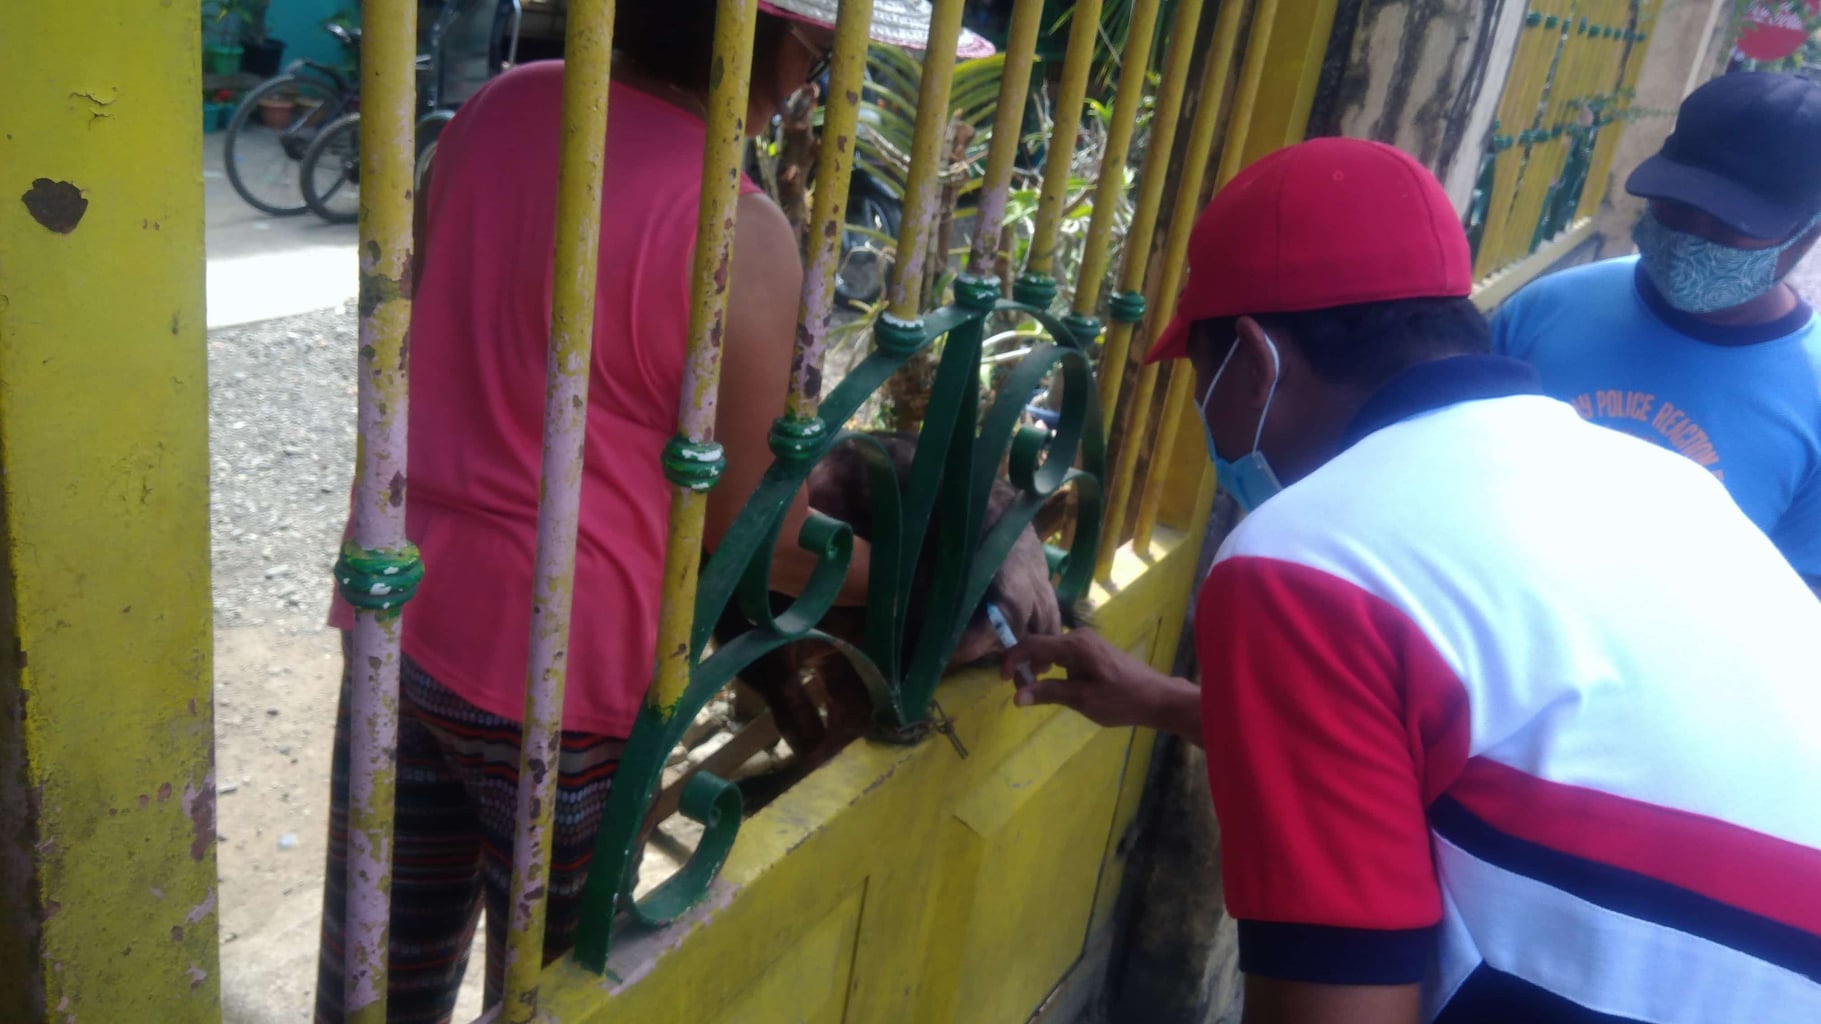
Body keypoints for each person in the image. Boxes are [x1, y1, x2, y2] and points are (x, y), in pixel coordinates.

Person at [1003, 138, 1821, 1023]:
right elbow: (1488, 752)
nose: (1206, 410)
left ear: (1252, 357)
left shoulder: (1308, 558)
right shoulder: (1663, 484)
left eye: (1201, 376)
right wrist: (1164, 701)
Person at [312, 3, 977, 1021]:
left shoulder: (500, 107)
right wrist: (934, 590)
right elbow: (765, 541)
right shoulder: (737, 229)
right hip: (563, 675)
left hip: (403, 617)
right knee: (553, 998)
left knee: (378, 980)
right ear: (793, 48)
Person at [1491, 72, 1821, 596]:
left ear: (1808, 234)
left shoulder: (1813, 395)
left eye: (1731, 223)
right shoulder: (1545, 307)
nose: (1693, 236)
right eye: (1677, 206)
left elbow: (1798, 603)